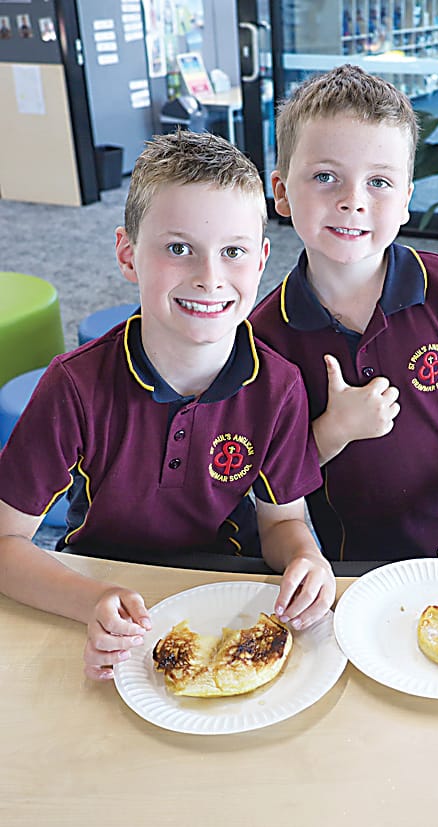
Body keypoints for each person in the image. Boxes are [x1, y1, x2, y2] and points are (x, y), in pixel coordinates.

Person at [0, 130, 335, 680]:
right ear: (128, 254)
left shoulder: (279, 386)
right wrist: (92, 600)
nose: (209, 278)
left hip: (228, 601)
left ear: (261, 260)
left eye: (233, 251)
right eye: (179, 248)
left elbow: (282, 522)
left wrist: (306, 558)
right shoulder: (74, 386)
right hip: (103, 596)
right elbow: (7, 541)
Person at [251, 64, 438, 571]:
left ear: (406, 201)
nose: (352, 201)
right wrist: (334, 430)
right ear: (282, 192)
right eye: (324, 176)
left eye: (378, 182)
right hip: (348, 564)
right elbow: (270, 481)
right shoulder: (265, 335)